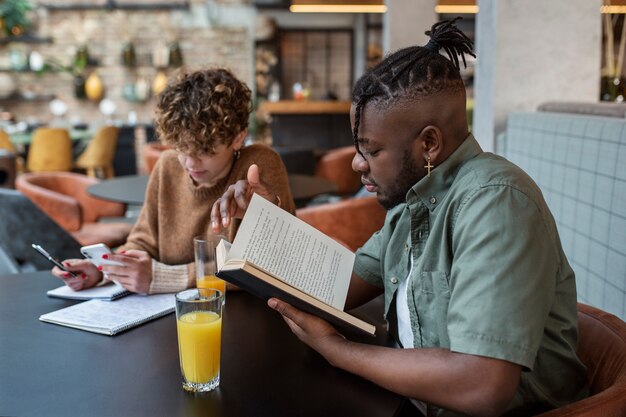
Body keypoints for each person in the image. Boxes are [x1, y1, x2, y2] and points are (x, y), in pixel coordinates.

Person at [263, 19, 588, 416]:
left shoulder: (496, 202)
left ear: (429, 144)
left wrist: (339, 351)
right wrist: (263, 220)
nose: (355, 163)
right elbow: (330, 287)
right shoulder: (411, 205)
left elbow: (482, 384)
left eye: (371, 150)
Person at [52, 67, 295, 294]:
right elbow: (143, 242)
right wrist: (105, 270)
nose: (190, 163)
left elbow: (265, 267)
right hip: (172, 318)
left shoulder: (258, 165)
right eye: (181, 148)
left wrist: (162, 278)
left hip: (238, 318)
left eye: (205, 151)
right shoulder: (167, 165)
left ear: (238, 138)